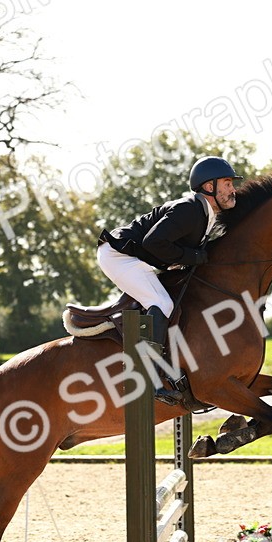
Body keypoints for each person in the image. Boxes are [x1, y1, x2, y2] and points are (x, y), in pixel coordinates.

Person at [97, 156, 242, 403]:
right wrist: (194, 256)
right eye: (227, 183)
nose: (232, 189)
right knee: (163, 304)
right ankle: (148, 373)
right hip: (119, 256)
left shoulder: (206, 215)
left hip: (138, 258)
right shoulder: (188, 209)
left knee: (173, 301)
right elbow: (153, 242)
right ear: (209, 187)